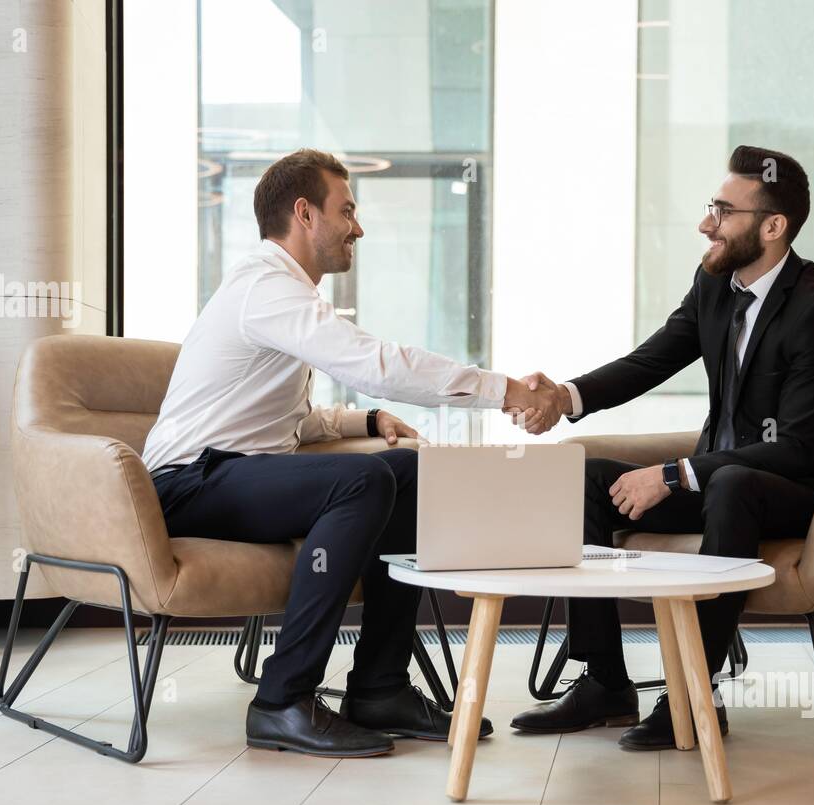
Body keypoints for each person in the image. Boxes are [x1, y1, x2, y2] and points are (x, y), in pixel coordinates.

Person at [141, 148, 547, 757]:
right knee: (363, 480)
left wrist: (367, 419)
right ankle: (281, 702)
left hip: (235, 472)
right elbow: (375, 364)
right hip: (188, 483)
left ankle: (380, 687)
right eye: (347, 210)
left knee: (409, 470)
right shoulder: (265, 287)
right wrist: (504, 390)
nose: (358, 228)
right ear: (305, 213)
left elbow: (282, 420)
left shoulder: (282, 293)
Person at [506, 145, 814, 749]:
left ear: (773, 227)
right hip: (715, 483)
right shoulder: (714, 283)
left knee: (733, 483)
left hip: (791, 491)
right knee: (579, 477)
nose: (705, 224)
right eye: (710, 207)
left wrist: (673, 474)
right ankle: (604, 682)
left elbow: (798, 447)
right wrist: (565, 396)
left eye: (723, 212)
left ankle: (693, 693)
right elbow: (652, 360)